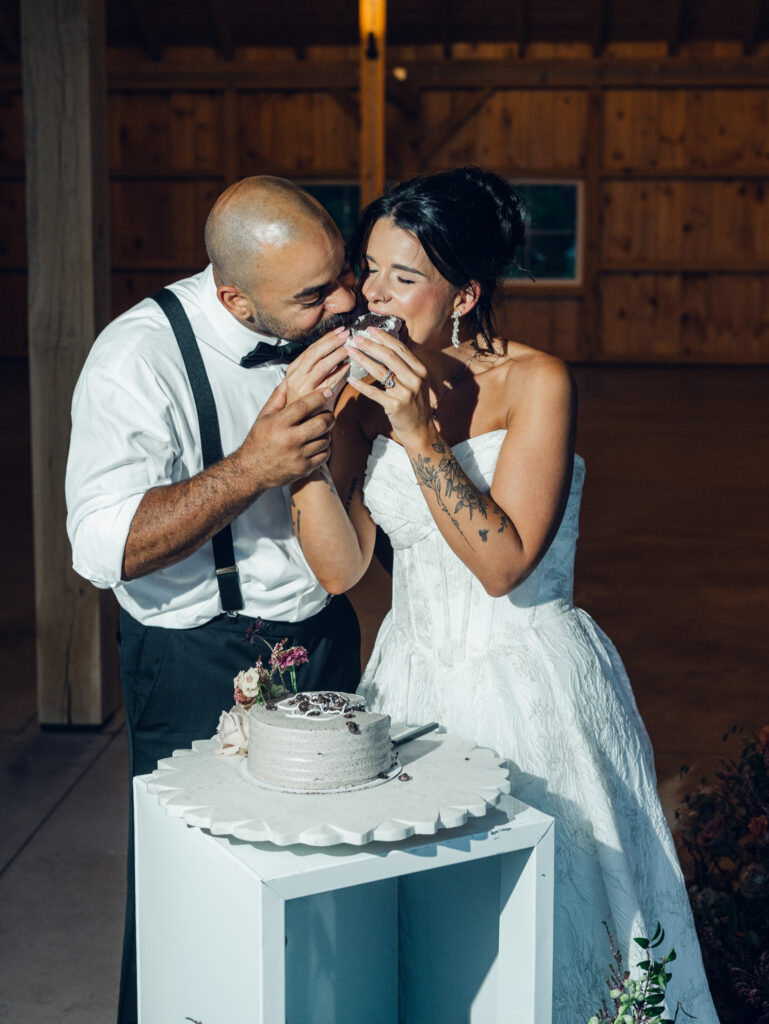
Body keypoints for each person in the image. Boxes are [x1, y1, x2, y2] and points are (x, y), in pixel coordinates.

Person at [285, 167, 720, 1021]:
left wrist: (417, 434)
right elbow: (340, 570)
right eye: (368, 269)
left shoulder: (538, 383)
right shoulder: (362, 397)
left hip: (530, 682)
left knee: (550, 928)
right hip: (410, 682)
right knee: (429, 937)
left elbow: (503, 563)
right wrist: (306, 443)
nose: (372, 294)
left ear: (464, 293)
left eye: (402, 277)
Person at [65, 176, 358, 1024]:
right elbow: (102, 549)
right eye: (314, 294)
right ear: (233, 295)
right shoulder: (136, 359)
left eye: (341, 275)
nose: (343, 300)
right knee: (192, 904)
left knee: (325, 892)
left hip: (327, 642)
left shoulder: (335, 322)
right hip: (198, 662)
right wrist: (252, 467)